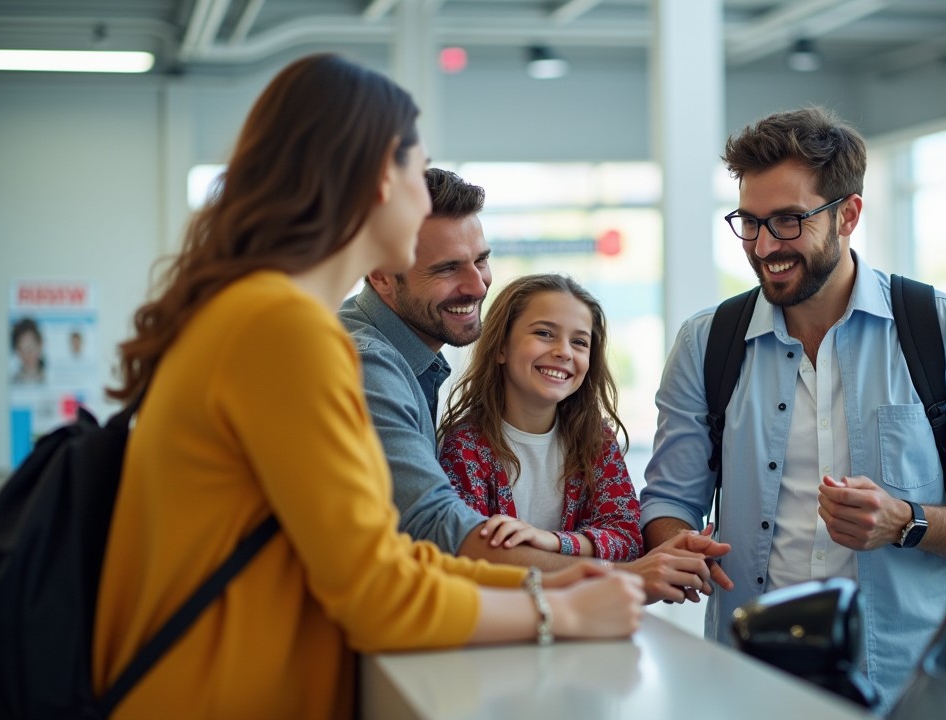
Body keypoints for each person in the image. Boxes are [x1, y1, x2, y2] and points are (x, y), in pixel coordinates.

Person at [94, 54, 643, 720]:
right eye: (418, 167)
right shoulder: (285, 329)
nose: (427, 190)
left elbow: (383, 555)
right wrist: (557, 610)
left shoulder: (253, 314)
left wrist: (556, 582)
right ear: (377, 182)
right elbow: (378, 593)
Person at [639, 105, 946, 709]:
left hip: (902, 686)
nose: (765, 245)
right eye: (751, 222)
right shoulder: (706, 343)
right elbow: (669, 500)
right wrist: (676, 544)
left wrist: (906, 521)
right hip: (750, 681)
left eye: (789, 221)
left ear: (848, 214)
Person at [340, 170, 731, 604]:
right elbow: (439, 531)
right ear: (380, 275)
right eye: (448, 268)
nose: (477, 285)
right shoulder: (367, 363)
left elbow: (624, 528)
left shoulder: (413, 362)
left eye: (481, 260)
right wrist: (629, 577)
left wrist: (569, 547)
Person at [439, 273, 642, 561]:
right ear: (500, 347)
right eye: (544, 333)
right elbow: (473, 551)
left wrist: (552, 541)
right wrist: (581, 549)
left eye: (580, 342)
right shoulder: (465, 446)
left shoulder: (596, 438)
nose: (564, 352)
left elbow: (629, 538)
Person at [10, 317, 44, 384]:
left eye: (30, 348)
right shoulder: (12, 381)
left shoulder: (51, 378)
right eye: (22, 350)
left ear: (40, 345)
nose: (27, 355)